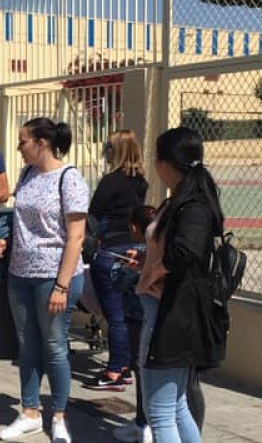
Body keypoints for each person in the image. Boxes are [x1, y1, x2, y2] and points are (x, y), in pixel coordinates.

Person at [0, 117, 89, 443]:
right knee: (27, 345)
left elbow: (76, 237)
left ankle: (59, 416)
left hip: (54, 277)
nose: (19, 147)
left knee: (54, 347)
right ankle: (30, 412)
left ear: (42, 143)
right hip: (20, 275)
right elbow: (23, 220)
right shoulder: (27, 174)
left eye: (23, 141)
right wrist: (6, 241)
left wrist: (62, 286)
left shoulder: (70, 179)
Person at [130, 126, 225, 443]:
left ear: (166, 163)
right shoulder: (180, 200)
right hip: (165, 311)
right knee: (177, 406)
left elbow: (186, 252)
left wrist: (156, 270)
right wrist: (148, 263)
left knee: (160, 413)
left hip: (170, 316)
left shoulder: (193, 205)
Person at [86, 130, 149, 392]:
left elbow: (93, 213)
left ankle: (115, 371)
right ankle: (127, 365)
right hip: (136, 248)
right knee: (131, 312)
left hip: (112, 249)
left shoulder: (110, 182)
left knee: (115, 315)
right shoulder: (141, 182)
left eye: (108, 146)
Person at [110, 205, 156, 443]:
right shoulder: (160, 252)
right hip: (157, 317)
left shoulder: (137, 253)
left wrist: (126, 269)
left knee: (141, 368)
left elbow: (117, 282)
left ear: (135, 228)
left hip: (138, 319)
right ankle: (145, 421)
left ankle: (143, 423)